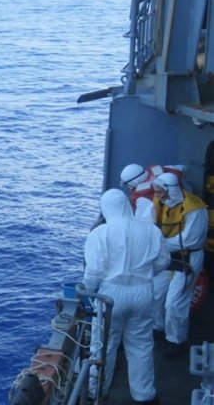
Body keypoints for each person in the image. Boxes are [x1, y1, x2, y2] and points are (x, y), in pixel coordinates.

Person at [84, 189, 168, 404]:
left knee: (103, 345)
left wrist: (90, 293)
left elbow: (93, 272)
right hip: (143, 292)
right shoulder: (150, 230)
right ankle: (144, 394)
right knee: (141, 344)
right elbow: (162, 262)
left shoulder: (100, 233)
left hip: (110, 294)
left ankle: (97, 391)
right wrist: (145, 277)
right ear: (126, 206)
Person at [151, 172, 208, 356]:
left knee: (175, 302)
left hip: (188, 258)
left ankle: (176, 340)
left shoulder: (195, 209)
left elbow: (190, 240)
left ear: (170, 190)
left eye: (160, 191)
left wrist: (158, 243)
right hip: (168, 256)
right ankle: (158, 326)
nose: (157, 195)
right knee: (156, 293)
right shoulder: (160, 202)